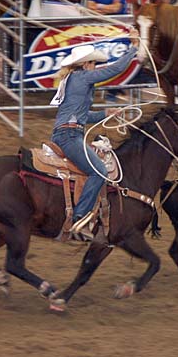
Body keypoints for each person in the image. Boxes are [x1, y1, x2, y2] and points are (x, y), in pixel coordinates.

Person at [50, 31, 139, 240]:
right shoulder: (83, 77)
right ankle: (79, 219)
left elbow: (80, 114)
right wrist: (133, 48)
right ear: (86, 64)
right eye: (94, 64)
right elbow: (116, 69)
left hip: (67, 132)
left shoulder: (73, 79)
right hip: (69, 136)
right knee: (99, 171)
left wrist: (103, 113)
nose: (96, 67)